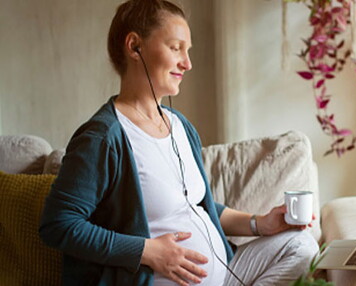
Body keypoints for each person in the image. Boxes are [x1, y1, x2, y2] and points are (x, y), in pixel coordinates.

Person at [39, 0, 319, 285]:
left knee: (301, 245)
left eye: (188, 51)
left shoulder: (181, 126)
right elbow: (58, 225)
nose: (187, 63)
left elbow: (196, 206)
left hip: (224, 275)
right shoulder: (103, 137)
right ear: (135, 46)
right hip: (153, 279)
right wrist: (147, 251)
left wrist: (259, 223)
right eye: (176, 48)